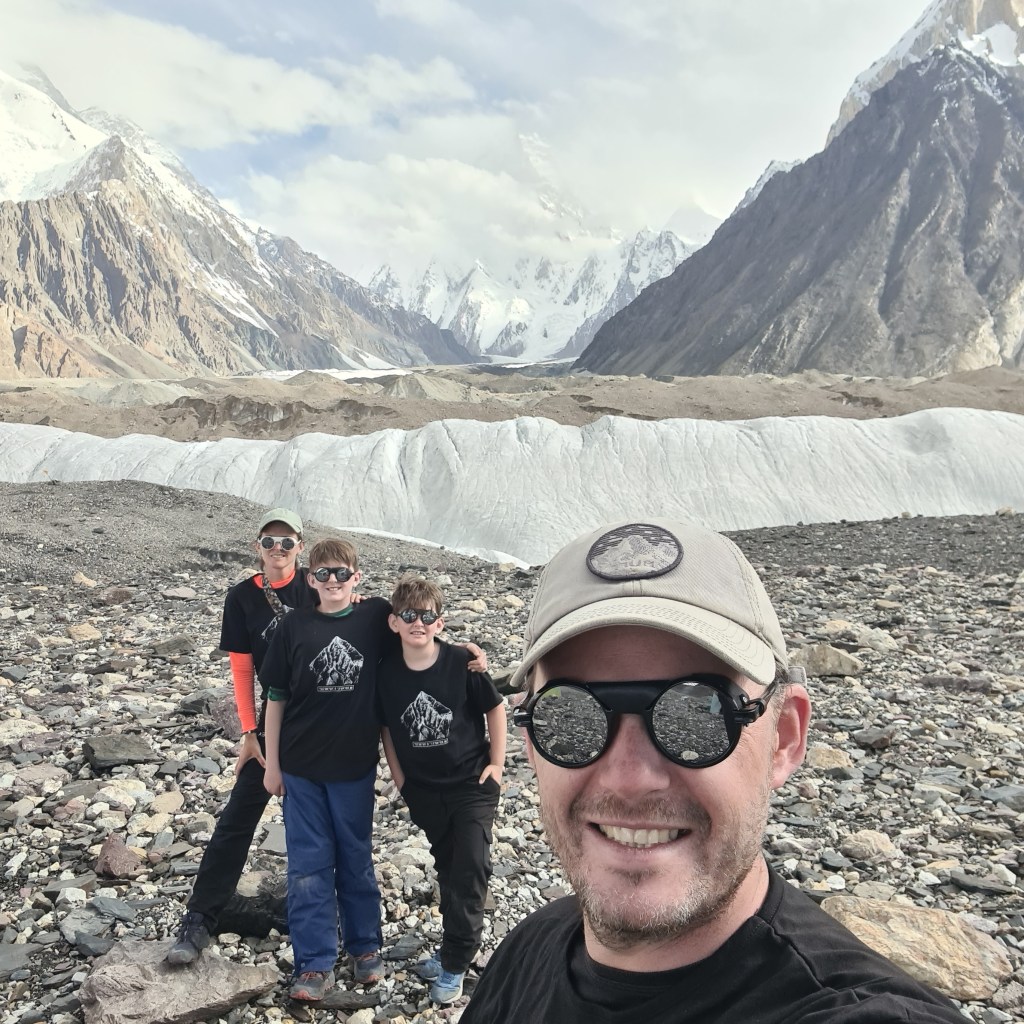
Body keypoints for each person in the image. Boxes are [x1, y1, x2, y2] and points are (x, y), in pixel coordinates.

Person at [461, 519, 968, 1023]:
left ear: (784, 739)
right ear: (530, 740)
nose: (629, 778)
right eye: (569, 717)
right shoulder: (528, 951)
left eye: (697, 714)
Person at [261, 540, 489, 1002]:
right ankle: (314, 962)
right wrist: (272, 763)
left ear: (356, 578)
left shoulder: (374, 616)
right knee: (307, 866)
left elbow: (420, 632)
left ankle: (365, 947)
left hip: (354, 767)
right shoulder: (294, 626)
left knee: (356, 859)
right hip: (302, 768)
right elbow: (277, 696)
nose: (332, 582)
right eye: (322, 574)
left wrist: (471, 657)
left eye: (341, 573)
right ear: (309, 579)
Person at [167, 507, 315, 965]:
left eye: (286, 541)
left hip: (317, 726)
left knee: (314, 824)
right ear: (257, 547)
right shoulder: (242, 597)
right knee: (237, 819)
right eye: (269, 541)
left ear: (299, 546)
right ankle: (200, 917)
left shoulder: (321, 583)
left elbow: (369, 632)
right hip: (269, 726)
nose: (277, 549)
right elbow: (242, 668)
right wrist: (249, 732)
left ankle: (321, 915)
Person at [377, 576, 506, 1005]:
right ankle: (453, 949)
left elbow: (495, 706)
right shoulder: (385, 672)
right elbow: (386, 731)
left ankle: (454, 964)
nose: (419, 622)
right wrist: (401, 780)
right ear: (395, 622)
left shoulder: (461, 662)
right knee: (448, 867)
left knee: (471, 868)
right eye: (409, 616)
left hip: (472, 785)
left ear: (440, 622)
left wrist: (497, 763)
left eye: (427, 616)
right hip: (424, 791)